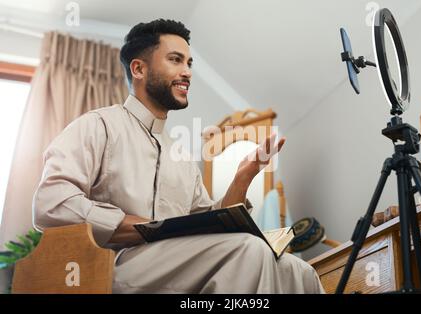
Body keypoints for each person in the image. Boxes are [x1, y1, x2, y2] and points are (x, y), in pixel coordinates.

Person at [33, 19, 324, 294]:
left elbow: (209, 224)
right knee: (249, 249)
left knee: (299, 272)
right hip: (116, 264)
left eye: (189, 63)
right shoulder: (97, 125)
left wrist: (243, 175)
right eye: (175, 60)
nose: (187, 72)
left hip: (179, 264)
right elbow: (51, 203)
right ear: (139, 69)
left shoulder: (181, 156)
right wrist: (134, 227)